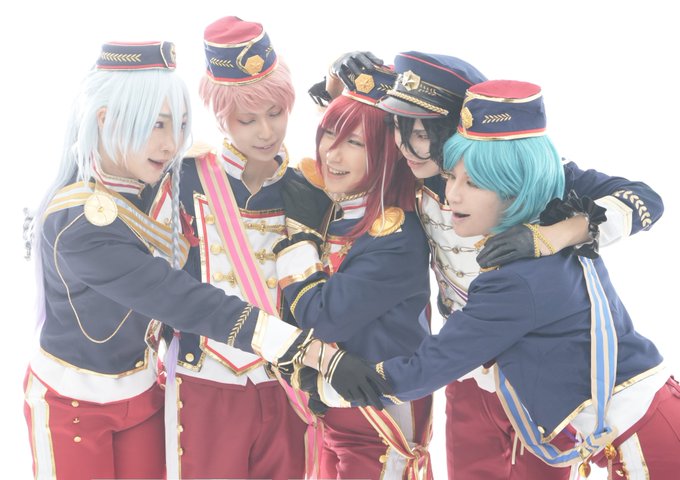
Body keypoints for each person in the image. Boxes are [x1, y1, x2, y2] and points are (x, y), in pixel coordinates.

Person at [21, 40, 383, 480]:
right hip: (77, 400)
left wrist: (345, 96)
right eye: (155, 124)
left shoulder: (158, 180)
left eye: (179, 125)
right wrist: (311, 352)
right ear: (106, 119)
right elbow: (184, 300)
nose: (170, 144)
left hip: (148, 395)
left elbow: (366, 178)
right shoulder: (88, 219)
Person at [325, 50, 665, 479]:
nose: (406, 146)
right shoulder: (411, 166)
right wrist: (340, 76)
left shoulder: (525, 172)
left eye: (424, 133)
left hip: (538, 366)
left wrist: (556, 234)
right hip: (463, 359)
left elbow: (644, 200)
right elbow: (342, 136)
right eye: (400, 128)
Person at [149, 16, 308, 480]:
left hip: (283, 382)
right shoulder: (183, 179)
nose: (266, 132)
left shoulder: (308, 189)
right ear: (221, 117)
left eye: (276, 113)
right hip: (205, 380)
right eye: (247, 120)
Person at [273, 64, 434, 479]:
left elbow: (323, 316)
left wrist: (299, 238)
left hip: (380, 415)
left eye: (354, 142)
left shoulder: (397, 234)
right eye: (329, 134)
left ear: (386, 152)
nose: (332, 153)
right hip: (329, 410)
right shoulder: (339, 212)